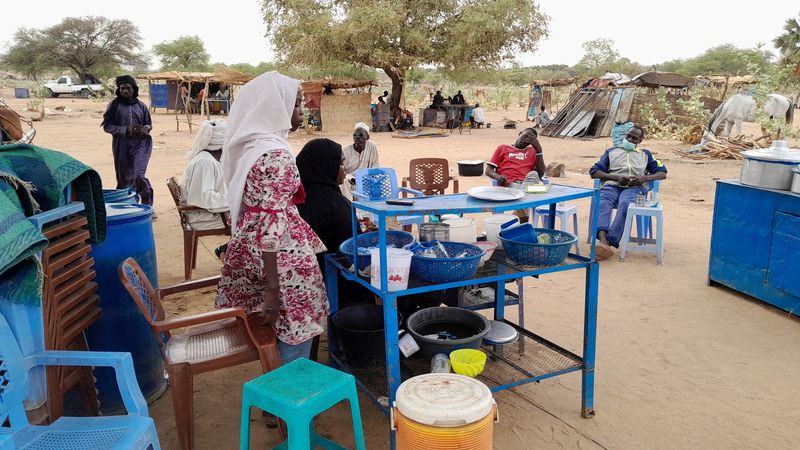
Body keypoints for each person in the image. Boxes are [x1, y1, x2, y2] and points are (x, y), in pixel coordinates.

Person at [216, 71, 329, 366]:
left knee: (276, 329)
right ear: (274, 109)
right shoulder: (275, 155)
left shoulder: (254, 147)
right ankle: (288, 399)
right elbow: (270, 222)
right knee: (295, 327)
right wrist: (273, 288)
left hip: (256, 252)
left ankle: (277, 397)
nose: (301, 112)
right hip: (281, 260)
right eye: (295, 105)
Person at [589, 125, 667, 260]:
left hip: (634, 188)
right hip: (612, 185)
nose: (630, 139)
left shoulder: (646, 154)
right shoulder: (611, 151)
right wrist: (615, 177)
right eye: (628, 136)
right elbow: (594, 172)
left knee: (626, 204)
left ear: (640, 141)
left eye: (634, 138)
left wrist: (643, 178)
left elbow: (662, 173)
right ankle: (602, 240)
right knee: (603, 202)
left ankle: (609, 241)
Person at [102, 75, 154, 207]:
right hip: (121, 145)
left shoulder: (141, 106)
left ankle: (147, 204)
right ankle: (129, 205)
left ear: (134, 89)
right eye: (122, 89)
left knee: (138, 175)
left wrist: (145, 129)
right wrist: (126, 129)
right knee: (124, 176)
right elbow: (107, 127)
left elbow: (148, 123)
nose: (125, 91)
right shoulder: (114, 106)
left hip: (141, 144)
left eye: (128, 89)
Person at [180, 119, 228, 230]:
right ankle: (227, 247)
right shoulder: (205, 163)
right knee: (252, 222)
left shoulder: (211, 159)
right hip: (201, 218)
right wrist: (233, 201)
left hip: (207, 212)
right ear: (222, 144)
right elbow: (204, 198)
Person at [340, 122, 380, 200]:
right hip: (350, 183)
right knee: (343, 183)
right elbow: (341, 172)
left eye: (361, 135)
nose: (357, 138)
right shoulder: (345, 151)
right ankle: (349, 209)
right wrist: (351, 178)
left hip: (367, 181)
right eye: (355, 135)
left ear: (367, 137)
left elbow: (375, 168)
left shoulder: (371, 146)